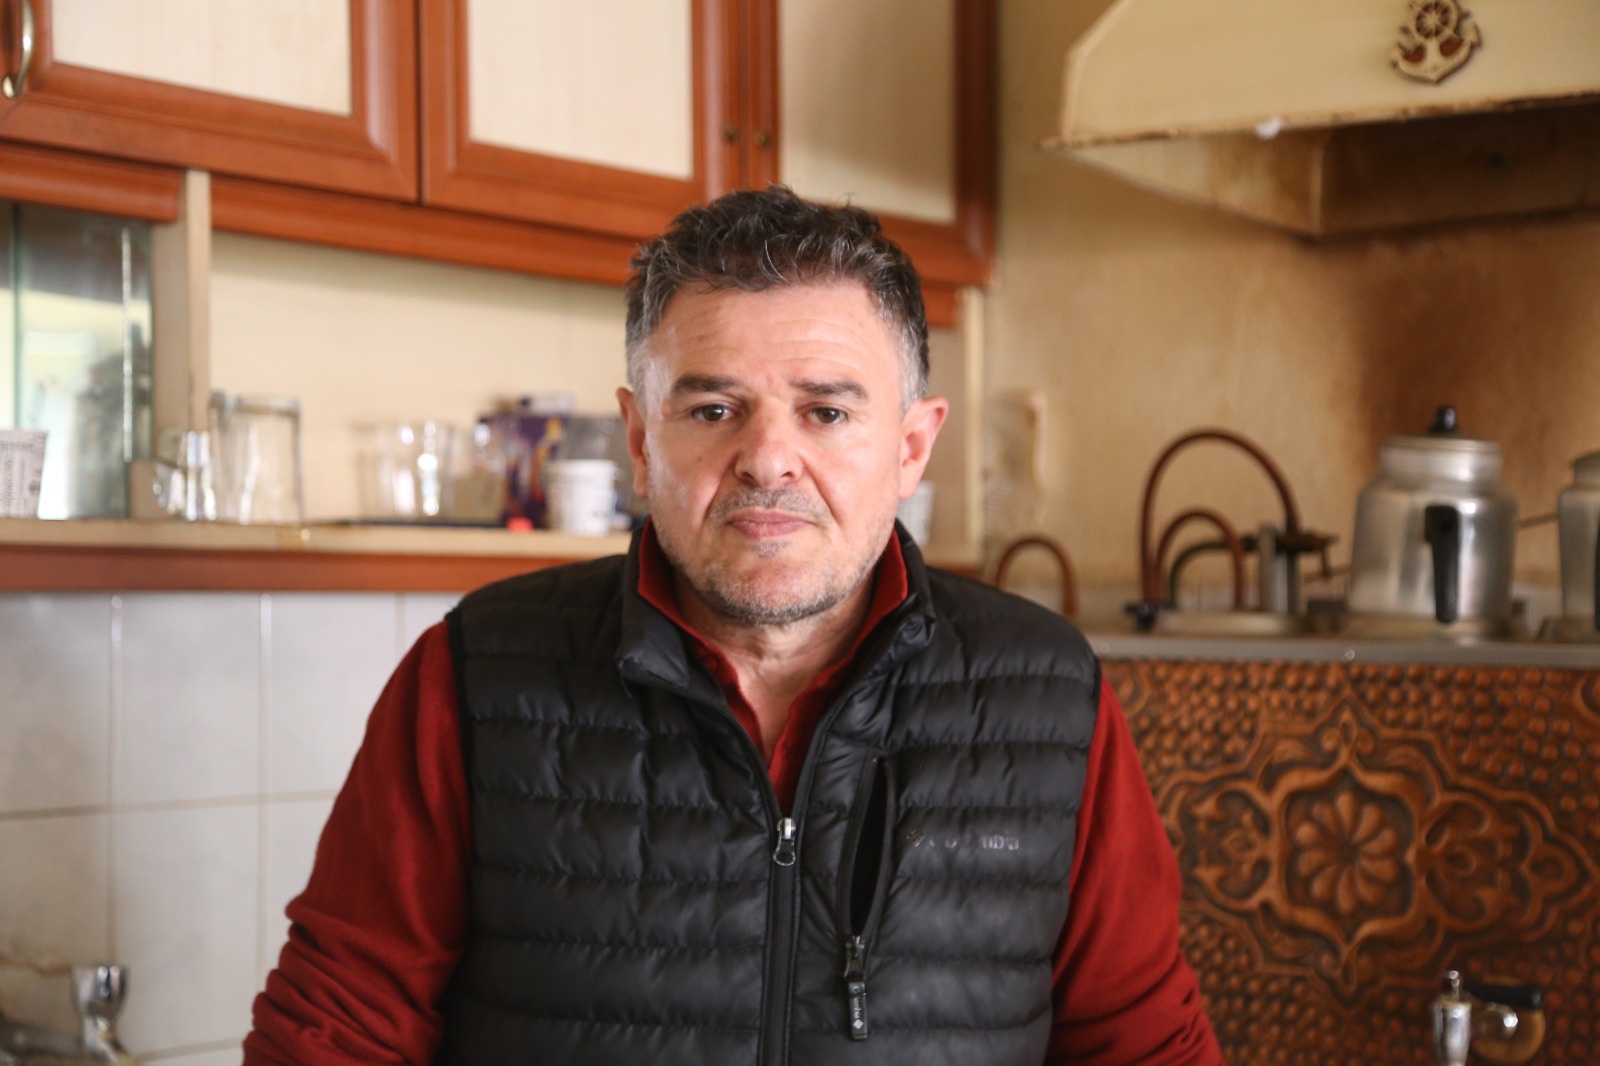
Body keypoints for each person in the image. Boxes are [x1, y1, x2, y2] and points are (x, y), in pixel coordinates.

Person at [244, 186, 1223, 1065]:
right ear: (641, 439)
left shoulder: (1051, 698)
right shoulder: (470, 676)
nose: (767, 459)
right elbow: (334, 1031)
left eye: (826, 413)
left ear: (911, 446)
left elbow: (1145, 1045)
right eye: (713, 409)